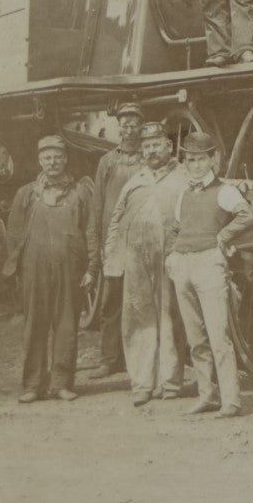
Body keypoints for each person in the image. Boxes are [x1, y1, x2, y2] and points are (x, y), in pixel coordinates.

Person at [166, 132, 253, 418]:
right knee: (196, 338)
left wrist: (223, 236)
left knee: (219, 337)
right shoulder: (184, 193)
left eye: (200, 159)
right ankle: (207, 395)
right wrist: (172, 255)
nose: (195, 165)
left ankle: (231, 401)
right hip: (183, 265)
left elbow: (249, 216)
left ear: (212, 160)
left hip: (209, 264)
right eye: (190, 160)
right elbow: (177, 228)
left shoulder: (225, 191)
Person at [5, 135, 98, 403]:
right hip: (35, 270)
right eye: (47, 157)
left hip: (70, 270)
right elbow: (14, 235)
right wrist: (19, 268)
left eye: (58, 156)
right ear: (40, 161)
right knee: (34, 326)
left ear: (66, 159)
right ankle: (33, 384)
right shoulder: (26, 193)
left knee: (67, 326)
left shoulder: (81, 193)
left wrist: (92, 268)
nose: (53, 162)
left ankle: (61, 383)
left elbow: (91, 231)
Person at [104, 121, 188, 406]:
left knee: (171, 316)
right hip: (137, 260)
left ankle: (170, 381)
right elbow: (116, 220)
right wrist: (112, 260)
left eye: (157, 145)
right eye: (147, 146)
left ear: (169, 146)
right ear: (142, 151)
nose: (152, 151)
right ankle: (141, 382)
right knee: (138, 317)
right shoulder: (134, 181)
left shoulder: (184, 179)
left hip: (172, 259)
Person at [89, 100, 145, 379]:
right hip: (114, 241)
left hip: (141, 241)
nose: (129, 129)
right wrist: (98, 243)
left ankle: (136, 358)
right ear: (118, 127)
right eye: (125, 124)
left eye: (134, 124)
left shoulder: (148, 160)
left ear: (141, 127)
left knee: (140, 301)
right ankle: (109, 359)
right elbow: (97, 205)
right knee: (111, 300)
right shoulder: (107, 162)